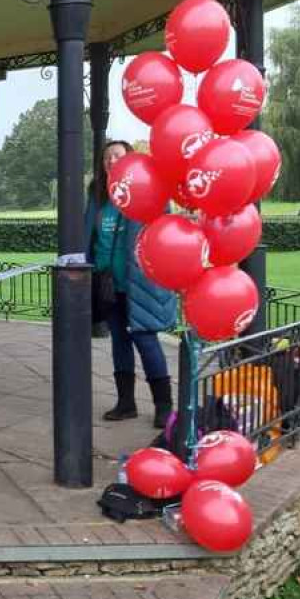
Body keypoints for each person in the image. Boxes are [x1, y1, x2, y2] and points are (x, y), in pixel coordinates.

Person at [85, 140, 177, 430]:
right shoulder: (98, 196)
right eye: (106, 157)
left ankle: (164, 406)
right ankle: (126, 403)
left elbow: (166, 229)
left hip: (141, 283)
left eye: (117, 155)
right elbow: (88, 233)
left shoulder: (150, 189)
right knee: (119, 343)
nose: (111, 160)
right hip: (109, 285)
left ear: (131, 160)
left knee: (146, 341)